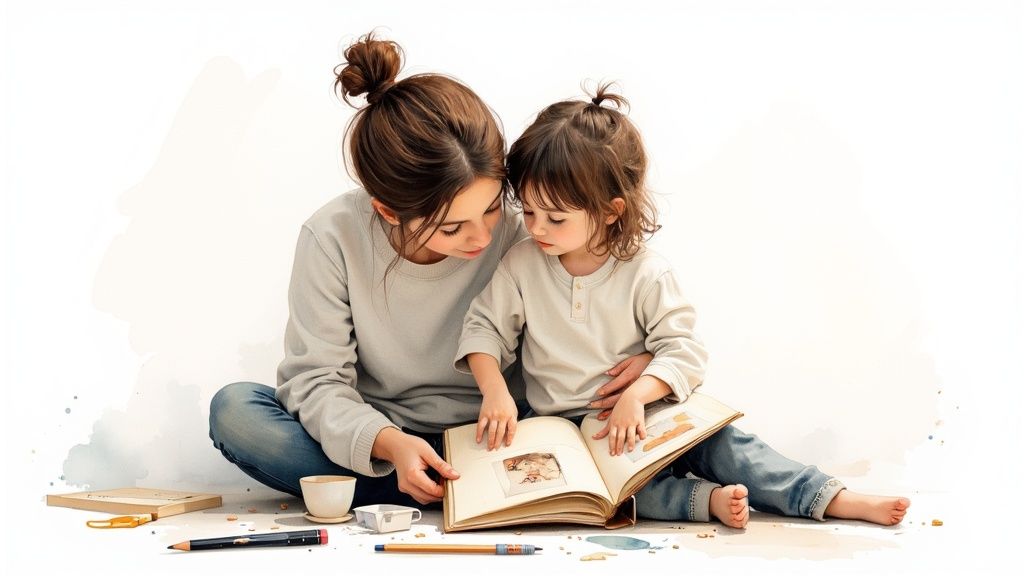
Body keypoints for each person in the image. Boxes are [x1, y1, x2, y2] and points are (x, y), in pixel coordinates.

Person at [207, 33, 652, 508]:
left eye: (491, 209)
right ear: (388, 211)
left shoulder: (533, 230)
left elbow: (594, 312)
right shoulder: (332, 238)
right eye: (452, 227)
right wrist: (388, 443)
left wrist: (646, 362)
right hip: (384, 435)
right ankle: (445, 489)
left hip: (506, 437)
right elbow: (316, 381)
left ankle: (445, 490)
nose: (481, 238)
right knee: (235, 412)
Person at [455, 84, 911, 527]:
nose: (535, 227)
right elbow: (483, 328)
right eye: (529, 211)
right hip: (563, 429)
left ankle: (830, 498)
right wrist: (495, 390)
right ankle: (705, 501)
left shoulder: (645, 273)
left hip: (646, 415)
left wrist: (638, 395)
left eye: (555, 218)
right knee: (618, 491)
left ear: (611, 210)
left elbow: (684, 352)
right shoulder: (520, 264)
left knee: (729, 448)